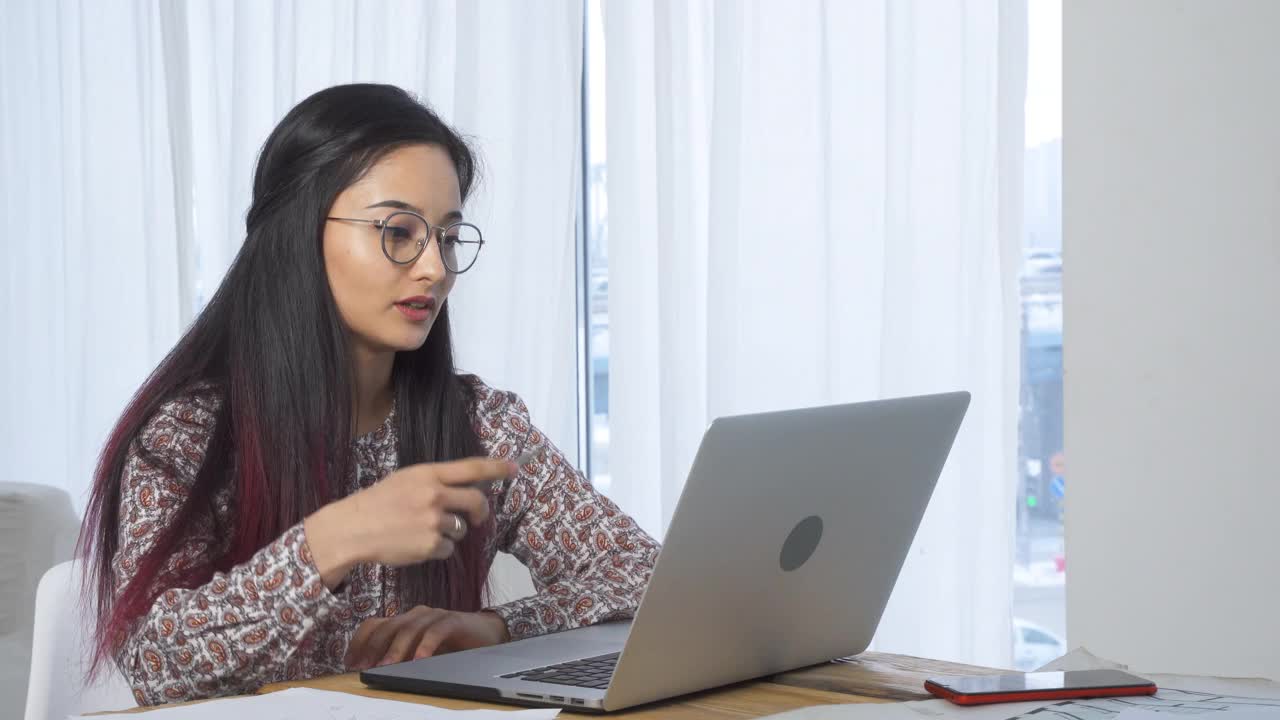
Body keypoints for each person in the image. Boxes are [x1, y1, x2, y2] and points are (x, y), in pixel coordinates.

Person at [78, 83, 660, 706]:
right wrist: (336, 539)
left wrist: (500, 627)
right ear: (298, 231)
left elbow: (648, 576)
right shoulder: (188, 433)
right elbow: (155, 662)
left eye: (447, 236)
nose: (435, 267)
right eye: (398, 231)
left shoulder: (482, 425)